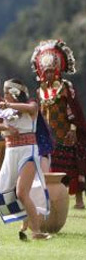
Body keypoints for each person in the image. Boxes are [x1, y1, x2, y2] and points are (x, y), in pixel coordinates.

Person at [0, 79, 50, 240]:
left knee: (22, 192)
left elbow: (30, 108)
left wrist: (9, 106)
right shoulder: (4, 109)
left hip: (28, 151)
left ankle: (36, 232)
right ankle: (25, 219)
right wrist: (6, 127)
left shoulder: (31, 105)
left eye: (8, 93)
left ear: (15, 93)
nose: (5, 96)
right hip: (11, 152)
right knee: (5, 191)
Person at [31, 39, 86, 209]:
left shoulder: (65, 87)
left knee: (73, 169)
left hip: (66, 133)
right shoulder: (39, 91)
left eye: (51, 71)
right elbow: (39, 112)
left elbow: (73, 110)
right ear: (41, 71)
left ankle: (79, 200)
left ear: (57, 70)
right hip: (48, 135)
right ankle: (51, 200)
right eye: (45, 71)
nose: (48, 74)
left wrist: (73, 128)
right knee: (50, 169)